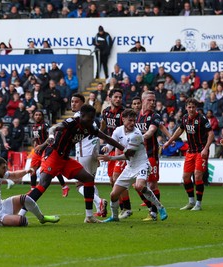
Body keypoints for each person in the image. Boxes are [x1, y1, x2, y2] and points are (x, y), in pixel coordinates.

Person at [20, 104, 134, 223]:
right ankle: (21, 214)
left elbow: (106, 138)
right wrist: (52, 136)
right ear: (82, 116)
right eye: (89, 119)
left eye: (93, 118)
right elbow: (53, 128)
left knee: (88, 179)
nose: (91, 121)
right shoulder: (71, 122)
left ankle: (89, 217)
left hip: (64, 158)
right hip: (53, 155)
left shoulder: (89, 127)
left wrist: (124, 149)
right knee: (43, 184)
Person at [100, 109, 168, 222]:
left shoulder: (136, 135)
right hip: (129, 167)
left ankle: (159, 207)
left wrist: (111, 158)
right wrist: (107, 148)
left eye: (134, 120)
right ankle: (114, 216)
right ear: (123, 119)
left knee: (140, 186)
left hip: (142, 165)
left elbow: (128, 155)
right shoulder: (118, 130)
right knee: (113, 195)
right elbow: (112, 142)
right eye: (130, 120)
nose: (132, 123)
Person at [0, 156, 60, 227]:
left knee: (25, 198)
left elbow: (14, 175)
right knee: (23, 221)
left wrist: (26, 171)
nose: (5, 170)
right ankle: (13, 218)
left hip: (2, 205)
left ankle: (42, 218)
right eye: (4, 168)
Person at [163, 98, 214, 211]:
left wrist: (206, 148)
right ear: (186, 107)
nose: (191, 109)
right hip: (190, 151)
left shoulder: (202, 119)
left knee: (197, 176)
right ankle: (191, 202)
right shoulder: (185, 118)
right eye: (189, 107)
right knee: (186, 177)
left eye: (193, 107)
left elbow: (211, 134)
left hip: (201, 151)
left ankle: (198, 204)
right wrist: (169, 141)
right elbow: (179, 130)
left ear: (196, 108)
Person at [136, 91, 172, 220]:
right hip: (137, 156)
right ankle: (152, 208)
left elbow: (151, 131)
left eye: (154, 100)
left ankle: (154, 212)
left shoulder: (155, 116)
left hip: (151, 154)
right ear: (143, 100)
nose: (152, 103)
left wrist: (170, 139)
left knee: (152, 184)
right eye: (149, 100)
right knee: (137, 186)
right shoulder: (136, 116)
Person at [71, 93, 108, 217]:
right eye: (72, 101)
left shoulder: (78, 117)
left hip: (83, 153)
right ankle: (99, 208)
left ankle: (99, 201)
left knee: (80, 184)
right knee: (90, 181)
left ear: (82, 104)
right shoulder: (91, 118)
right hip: (93, 152)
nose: (73, 104)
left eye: (76, 102)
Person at [100, 89, 132, 219]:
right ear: (110, 98)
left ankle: (127, 208)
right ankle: (122, 207)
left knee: (118, 178)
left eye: (120, 97)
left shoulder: (124, 113)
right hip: (110, 148)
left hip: (121, 149)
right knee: (112, 180)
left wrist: (122, 147)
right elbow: (103, 124)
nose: (118, 99)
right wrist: (99, 135)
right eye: (116, 97)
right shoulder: (106, 112)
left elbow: (127, 131)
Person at [29, 110, 70, 197]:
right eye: (36, 115)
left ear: (42, 117)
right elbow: (36, 138)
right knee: (32, 170)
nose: (38, 116)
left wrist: (42, 145)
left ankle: (64, 186)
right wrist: (35, 143)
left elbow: (51, 138)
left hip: (46, 150)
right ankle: (32, 189)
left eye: (39, 115)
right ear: (33, 116)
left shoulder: (45, 126)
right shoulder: (33, 126)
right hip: (37, 152)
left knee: (52, 170)